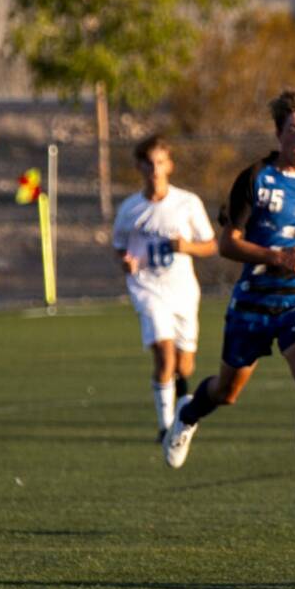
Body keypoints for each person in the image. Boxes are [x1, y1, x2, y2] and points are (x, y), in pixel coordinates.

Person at [162, 90, 295, 513]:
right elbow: (226, 244)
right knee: (228, 391)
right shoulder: (255, 178)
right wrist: (275, 256)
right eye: (293, 130)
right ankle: (189, 413)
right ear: (278, 133)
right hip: (252, 303)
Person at [112, 135, 217, 442]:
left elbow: (211, 244)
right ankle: (165, 426)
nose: (154, 170)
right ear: (139, 167)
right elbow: (119, 246)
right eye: (148, 163)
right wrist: (126, 262)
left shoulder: (187, 203)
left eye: (160, 162)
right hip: (148, 289)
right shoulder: (130, 208)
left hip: (183, 290)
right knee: (164, 355)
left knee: (185, 364)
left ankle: (181, 411)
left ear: (169, 165)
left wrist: (187, 245)